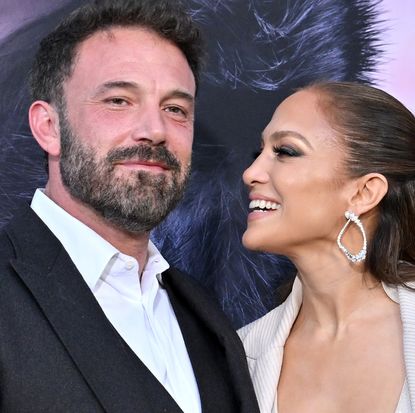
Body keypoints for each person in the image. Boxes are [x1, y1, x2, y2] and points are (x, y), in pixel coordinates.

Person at [0, 1, 260, 412]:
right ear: (48, 128)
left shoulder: (207, 318)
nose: (154, 131)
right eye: (118, 100)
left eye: (175, 109)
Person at [238, 81, 415, 412]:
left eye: (285, 152)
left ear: (364, 193)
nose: (251, 173)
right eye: (258, 153)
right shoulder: (243, 354)